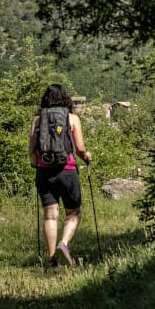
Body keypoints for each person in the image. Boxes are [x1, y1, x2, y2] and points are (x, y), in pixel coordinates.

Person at [29, 83, 92, 268]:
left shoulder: (38, 120)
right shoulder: (72, 118)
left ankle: (52, 259)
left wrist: (35, 163)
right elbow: (80, 149)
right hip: (67, 171)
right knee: (74, 212)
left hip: (44, 171)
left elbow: (32, 148)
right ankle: (63, 244)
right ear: (65, 98)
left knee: (50, 215)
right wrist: (86, 156)